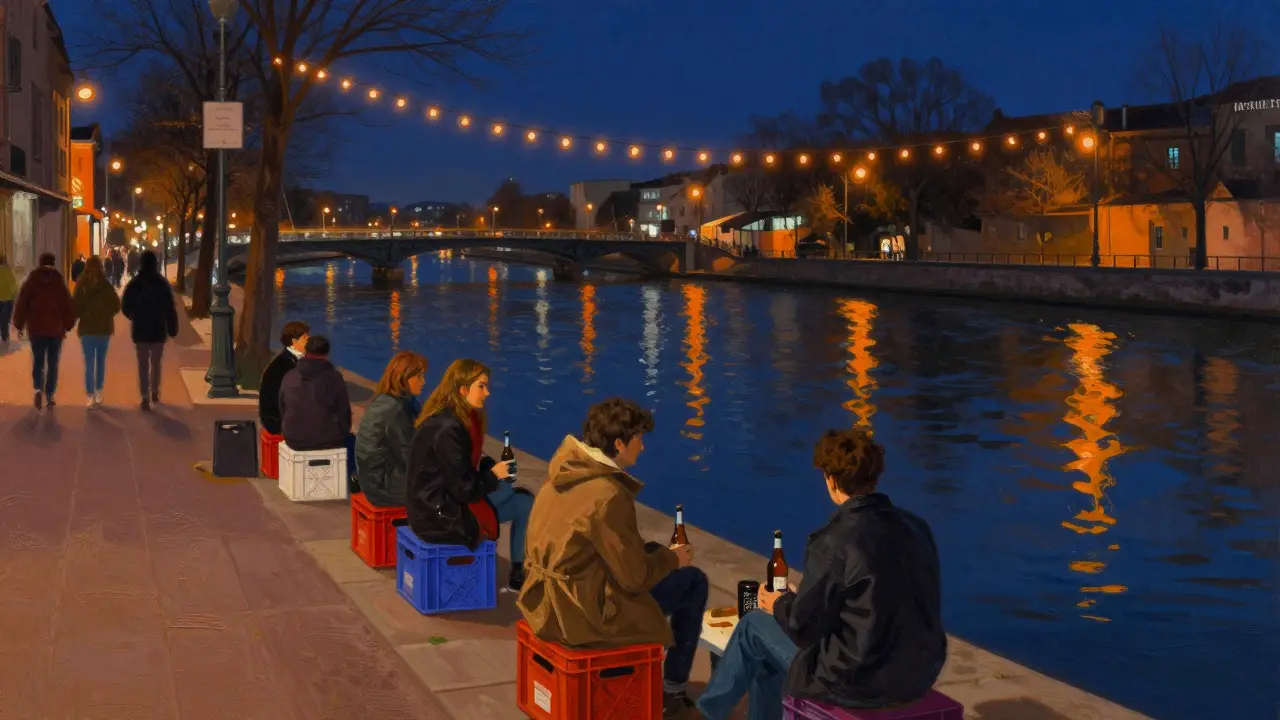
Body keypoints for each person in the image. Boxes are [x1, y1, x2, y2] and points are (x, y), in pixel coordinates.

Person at [696, 429, 946, 720]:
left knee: (753, 627)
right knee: (765, 656)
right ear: (874, 477)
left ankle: (705, 714)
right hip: (919, 673)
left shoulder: (834, 540)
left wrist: (779, 602)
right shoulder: (917, 527)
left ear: (831, 479)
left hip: (858, 681)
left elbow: (803, 627)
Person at [517, 398, 708, 718]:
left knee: (653, 558)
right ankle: (672, 688)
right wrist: (672, 560)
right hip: (581, 614)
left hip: (543, 601)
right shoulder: (608, 493)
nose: (642, 448)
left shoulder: (561, 477)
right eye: (639, 440)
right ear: (619, 443)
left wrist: (650, 554)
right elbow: (634, 578)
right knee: (693, 581)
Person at [407, 358, 533, 591]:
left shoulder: (449, 418)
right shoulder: (450, 429)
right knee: (520, 500)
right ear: (463, 389)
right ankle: (518, 571)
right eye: (481, 386)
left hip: (432, 506)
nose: (487, 393)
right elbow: (465, 489)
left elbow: (459, 465)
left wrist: (487, 466)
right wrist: (494, 474)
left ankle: (519, 569)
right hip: (441, 517)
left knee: (522, 500)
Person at [356, 350, 427, 508]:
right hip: (384, 488)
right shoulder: (396, 410)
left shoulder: (387, 399)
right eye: (419, 376)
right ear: (404, 378)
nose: (423, 382)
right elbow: (410, 457)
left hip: (372, 479)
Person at [12, 252, 76, 409]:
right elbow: (66, 305)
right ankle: (50, 395)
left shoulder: (31, 281)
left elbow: (22, 303)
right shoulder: (58, 281)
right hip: (55, 329)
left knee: (38, 360)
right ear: (53, 263)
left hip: (36, 329)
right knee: (53, 363)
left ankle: (37, 388)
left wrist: (19, 324)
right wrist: (68, 324)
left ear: (39, 263)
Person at [121, 250, 178, 410]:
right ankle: (154, 390)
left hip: (140, 329)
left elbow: (125, 306)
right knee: (156, 362)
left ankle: (144, 396)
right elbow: (170, 307)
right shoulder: (162, 283)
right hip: (158, 329)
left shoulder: (135, 283)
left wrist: (134, 316)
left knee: (142, 364)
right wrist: (172, 326)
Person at [278, 335, 352, 452]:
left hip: (293, 437)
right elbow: (344, 413)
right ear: (327, 354)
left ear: (306, 351)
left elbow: (283, 407)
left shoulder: (290, 375)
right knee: (352, 443)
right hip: (327, 439)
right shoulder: (333, 377)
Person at [72, 256, 121, 407]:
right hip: (104, 328)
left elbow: (75, 307)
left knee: (89, 362)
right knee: (100, 361)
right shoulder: (106, 284)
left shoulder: (81, 284)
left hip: (87, 329)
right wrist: (106, 313)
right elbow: (116, 306)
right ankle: (99, 391)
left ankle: (89, 395)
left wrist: (82, 315)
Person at [258, 320, 311, 436]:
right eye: (305, 338)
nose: (309, 340)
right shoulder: (284, 365)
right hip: (277, 421)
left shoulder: (291, 359)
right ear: (294, 341)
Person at [0, 255, 16, 346]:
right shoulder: (6, 271)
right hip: (6, 299)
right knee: (4, 320)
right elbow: (12, 285)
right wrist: (14, 296)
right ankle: (4, 338)